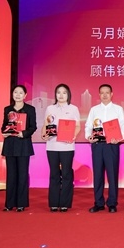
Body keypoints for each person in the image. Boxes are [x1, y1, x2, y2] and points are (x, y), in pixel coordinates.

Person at [85, 84, 124, 214]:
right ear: (99, 94)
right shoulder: (94, 110)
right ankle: (99, 203)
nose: (104, 95)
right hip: (97, 145)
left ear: (111, 94)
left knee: (112, 175)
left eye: (107, 92)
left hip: (112, 145)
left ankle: (112, 203)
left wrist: (118, 138)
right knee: (98, 175)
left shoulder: (118, 109)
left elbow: (122, 126)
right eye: (102, 93)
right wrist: (89, 136)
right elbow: (88, 126)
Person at [41, 83, 81, 212]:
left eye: (64, 92)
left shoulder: (73, 109)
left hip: (67, 147)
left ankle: (64, 203)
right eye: (58, 92)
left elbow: (77, 126)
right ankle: (53, 203)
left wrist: (73, 136)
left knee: (66, 174)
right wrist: (44, 135)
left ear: (68, 94)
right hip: (52, 146)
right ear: (55, 94)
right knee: (54, 174)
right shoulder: (50, 108)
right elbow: (46, 125)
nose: (61, 95)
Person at [0, 85, 37, 212]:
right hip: (10, 145)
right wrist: (4, 132)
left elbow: (33, 127)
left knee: (22, 175)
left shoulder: (30, 109)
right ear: (12, 94)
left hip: (23, 145)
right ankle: (9, 204)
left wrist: (24, 133)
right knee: (11, 175)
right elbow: (4, 125)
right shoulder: (7, 109)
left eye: (21, 93)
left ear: (25, 95)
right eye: (15, 92)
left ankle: (21, 203)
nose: (18, 95)